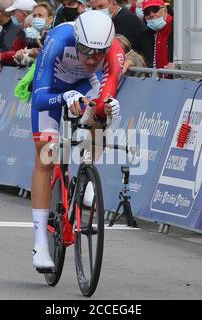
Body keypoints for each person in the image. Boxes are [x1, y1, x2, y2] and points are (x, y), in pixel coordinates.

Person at [30, 10, 123, 270]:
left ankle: (87, 173)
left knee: (100, 112)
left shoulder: (114, 54)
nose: (92, 58)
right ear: (76, 40)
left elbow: (105, 95)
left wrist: (109, 108)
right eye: (85, 51)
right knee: (46, 156)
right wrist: (64, 97)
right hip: (52, 88)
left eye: (99, 52)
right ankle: (40, 242)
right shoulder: (59, 40)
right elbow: (39, 99)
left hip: (84, 85)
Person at [0, 0, 36, 66]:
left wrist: (2, 57)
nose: (11, 15)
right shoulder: (19, 30)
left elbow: (33, 53)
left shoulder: (33, 32)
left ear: (24, 14)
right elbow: (13, 52)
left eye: (13, 12)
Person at [137, 0, 173, 71]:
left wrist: (177, 66)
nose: (151, 14)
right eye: (147, 12)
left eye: (155, 9)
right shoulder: (147, 35)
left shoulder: (176, 29)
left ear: (165, 10)